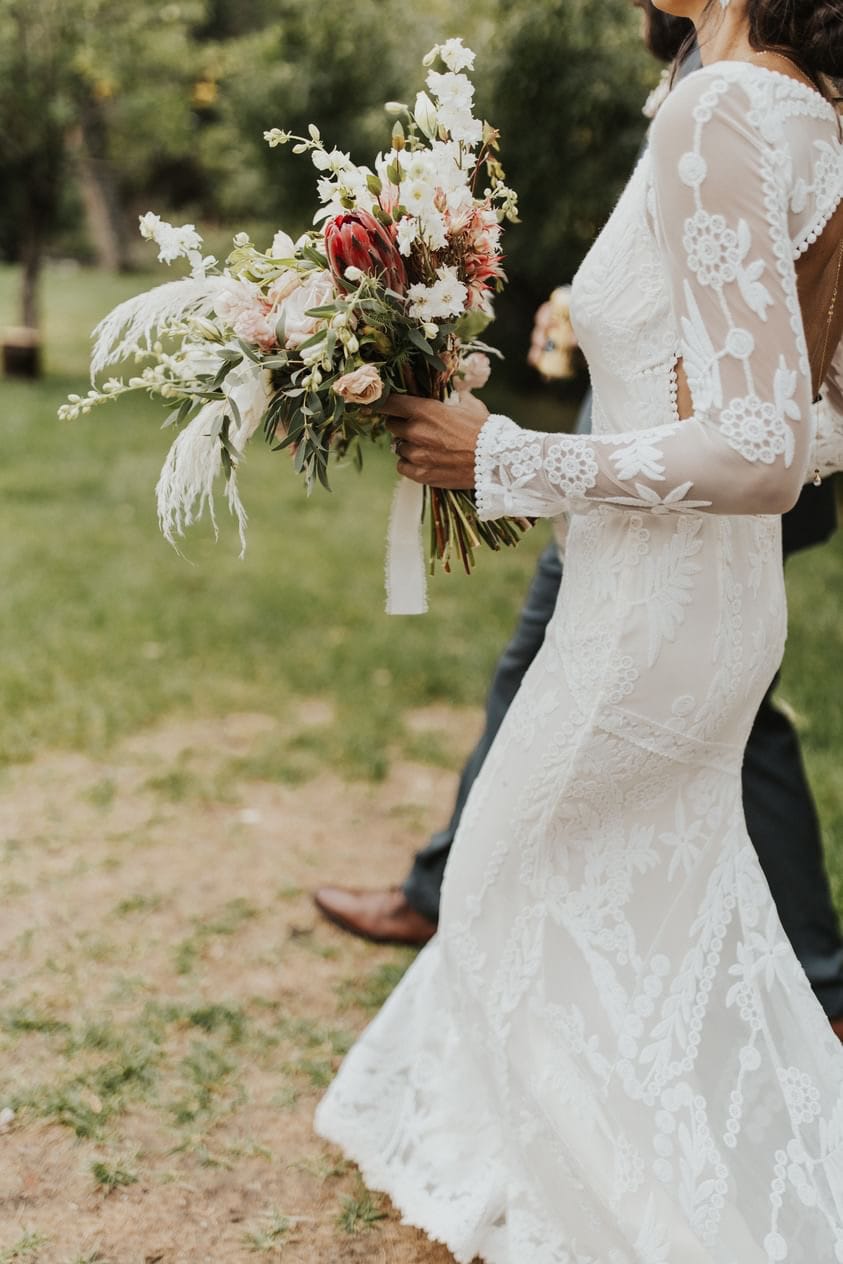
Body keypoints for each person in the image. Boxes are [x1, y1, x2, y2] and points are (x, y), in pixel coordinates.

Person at [315, 0, 843, 1258]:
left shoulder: (724, 109)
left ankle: (661, 1219)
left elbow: (762, 454)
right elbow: (820, 422)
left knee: (498, 887)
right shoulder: (809, 114)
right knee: (672, 905)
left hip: (657, 620)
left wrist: (507, 455)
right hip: (700, 604)